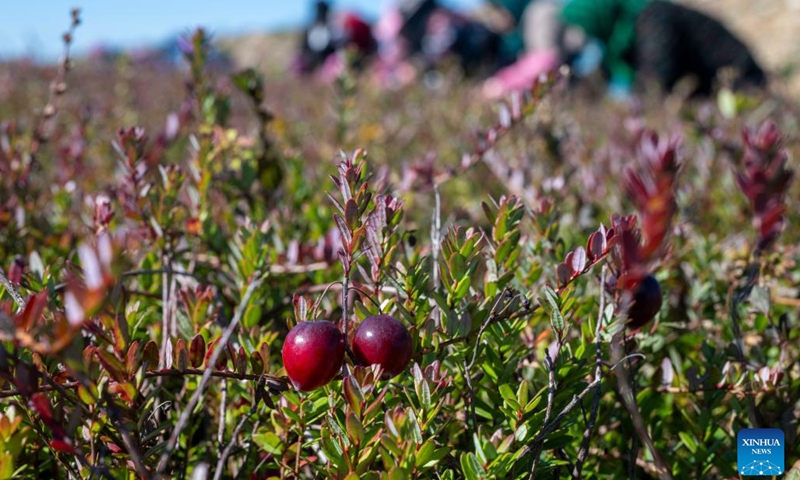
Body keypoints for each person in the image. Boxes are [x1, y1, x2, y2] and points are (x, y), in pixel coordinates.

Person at [561, 0, 766, 97]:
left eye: (582, 25)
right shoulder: (620, 39)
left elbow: (656, 79)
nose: (582, 36)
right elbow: (604, 74)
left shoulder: (652, 18)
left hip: (742, 84)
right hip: (711, 92)